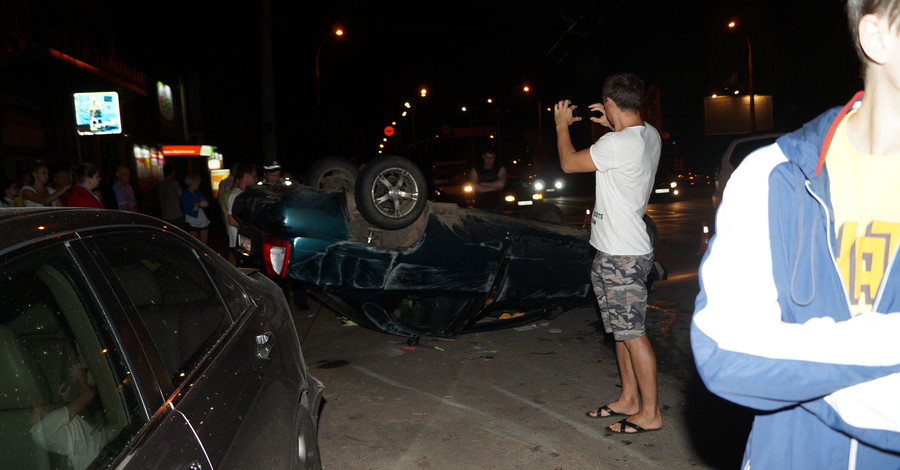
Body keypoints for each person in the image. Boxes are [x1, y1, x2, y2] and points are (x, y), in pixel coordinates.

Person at [691, 2, 900, 468]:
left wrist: (792, 376)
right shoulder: (773, 173)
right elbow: (726, 355)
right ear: (878, 35)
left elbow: (747, 362)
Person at [553, 71, 662, 434]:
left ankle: (650, 412)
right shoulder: (649, 135)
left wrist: (561, 125)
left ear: (611, 102)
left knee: (632, 332)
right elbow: (626, 146)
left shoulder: (617, 144)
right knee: (620, 330)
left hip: (622, 254)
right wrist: (611, 126)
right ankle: (629, 398)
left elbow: (569, 162)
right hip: (618, 248)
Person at [29, 363, 108, 470]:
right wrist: (82, 376)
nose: (40, 402)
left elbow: (66, 424)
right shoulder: (43, 428)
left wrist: (63, 402)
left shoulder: (41, 431)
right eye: (37, 402)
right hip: (104, 461)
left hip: (104, 455)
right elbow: (88, 394)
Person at [226, 163, 257, 263]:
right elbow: (231, 220)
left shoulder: (241, 194)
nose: (256, 180)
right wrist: (252, 229)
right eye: (254, 176)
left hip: (242, 242)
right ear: (247, 176)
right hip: (239, 242)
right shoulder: (236, 195)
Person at [182, 173, 211, 245]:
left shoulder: (198, 192)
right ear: (191, 182)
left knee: (204, 246)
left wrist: (198, 204)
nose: (199, 183)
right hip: (192, 220)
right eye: (197, 181)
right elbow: (190, 208)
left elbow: (207, 203)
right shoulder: (185, 194)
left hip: (202, 220)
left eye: (199, 181)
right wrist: (200, 203)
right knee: (194, 245)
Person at [158, 163, 185, 230]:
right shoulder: (174, 183)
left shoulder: (160, 184)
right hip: (176, 215)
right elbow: (182, 196)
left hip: (165, 216)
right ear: (173, 173)